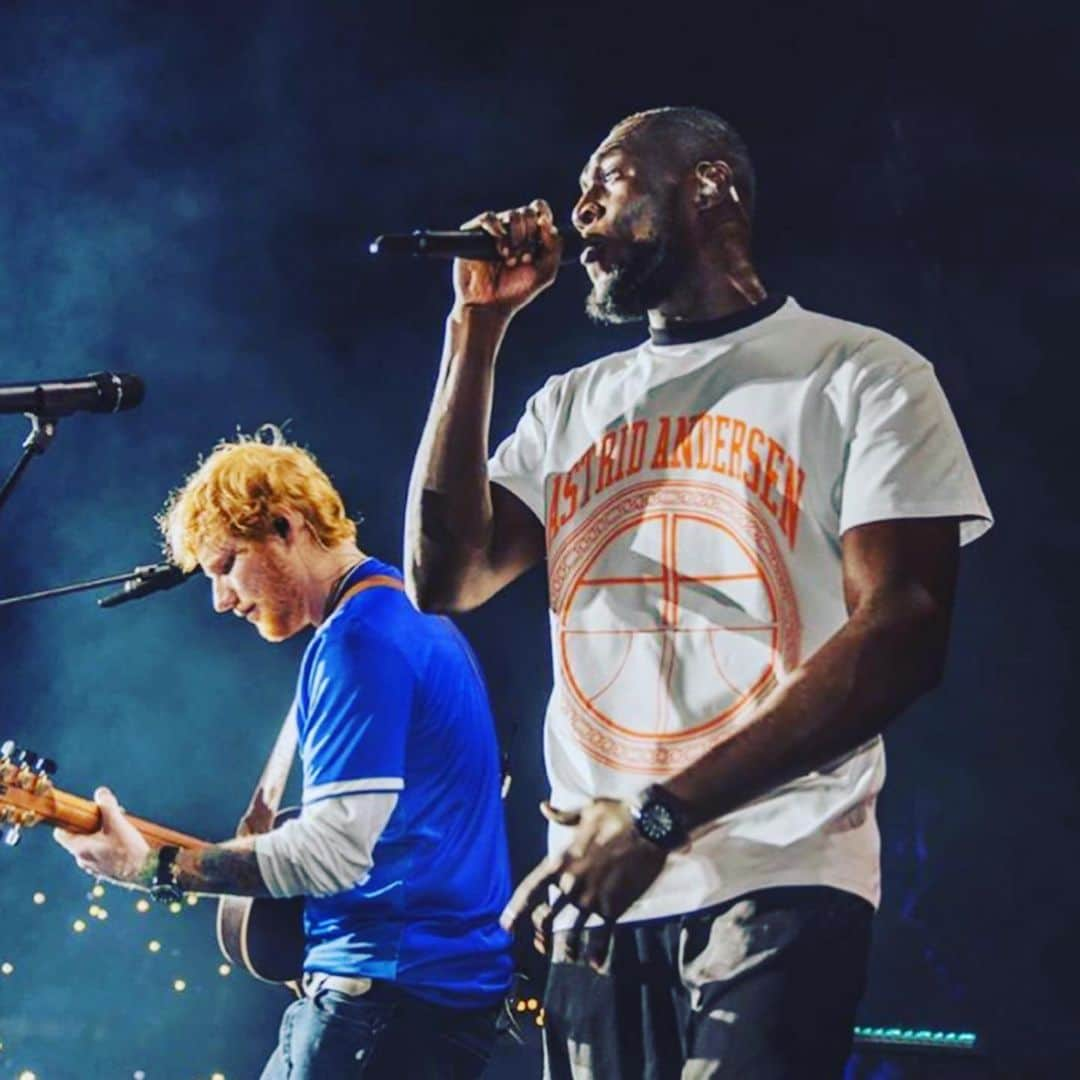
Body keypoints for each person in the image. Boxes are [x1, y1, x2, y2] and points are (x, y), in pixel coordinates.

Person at [404, 106, 992, 1078]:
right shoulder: (571, 406)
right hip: (601, 889)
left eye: (612, 178)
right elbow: (446, 575)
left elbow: (904, 631)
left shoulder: (860, 374)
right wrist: (477, 328)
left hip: (776, 869)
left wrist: (659, 815)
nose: (580, 205)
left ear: (710, 185)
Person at [55, 429, 513, 1079]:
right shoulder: (408, 615)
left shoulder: (361, 643)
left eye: (224, 565)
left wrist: (153, 868)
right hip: (421, 1004)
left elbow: (330, 855)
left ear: (286, 527)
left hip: (382, 1007)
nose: (220, 600)